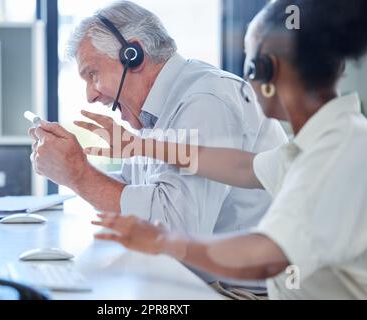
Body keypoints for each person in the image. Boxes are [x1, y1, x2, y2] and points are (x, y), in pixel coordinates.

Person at [81, 0, 367, 299]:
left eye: (250, 61)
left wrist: (164, 241)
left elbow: (264, 256)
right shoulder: (325, 142)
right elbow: (240, 167)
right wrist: (138, 145)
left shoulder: (341, 150)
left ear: (267, 69)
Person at [29, 0, 287, 290]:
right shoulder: (151, 116)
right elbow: (131, 190)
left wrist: (78, 174)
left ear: (133, 56)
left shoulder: (205, 100)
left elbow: (178, 236)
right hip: (197, 283)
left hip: (238, 293)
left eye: (93, 74)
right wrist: (71, 170)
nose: (90, 95)